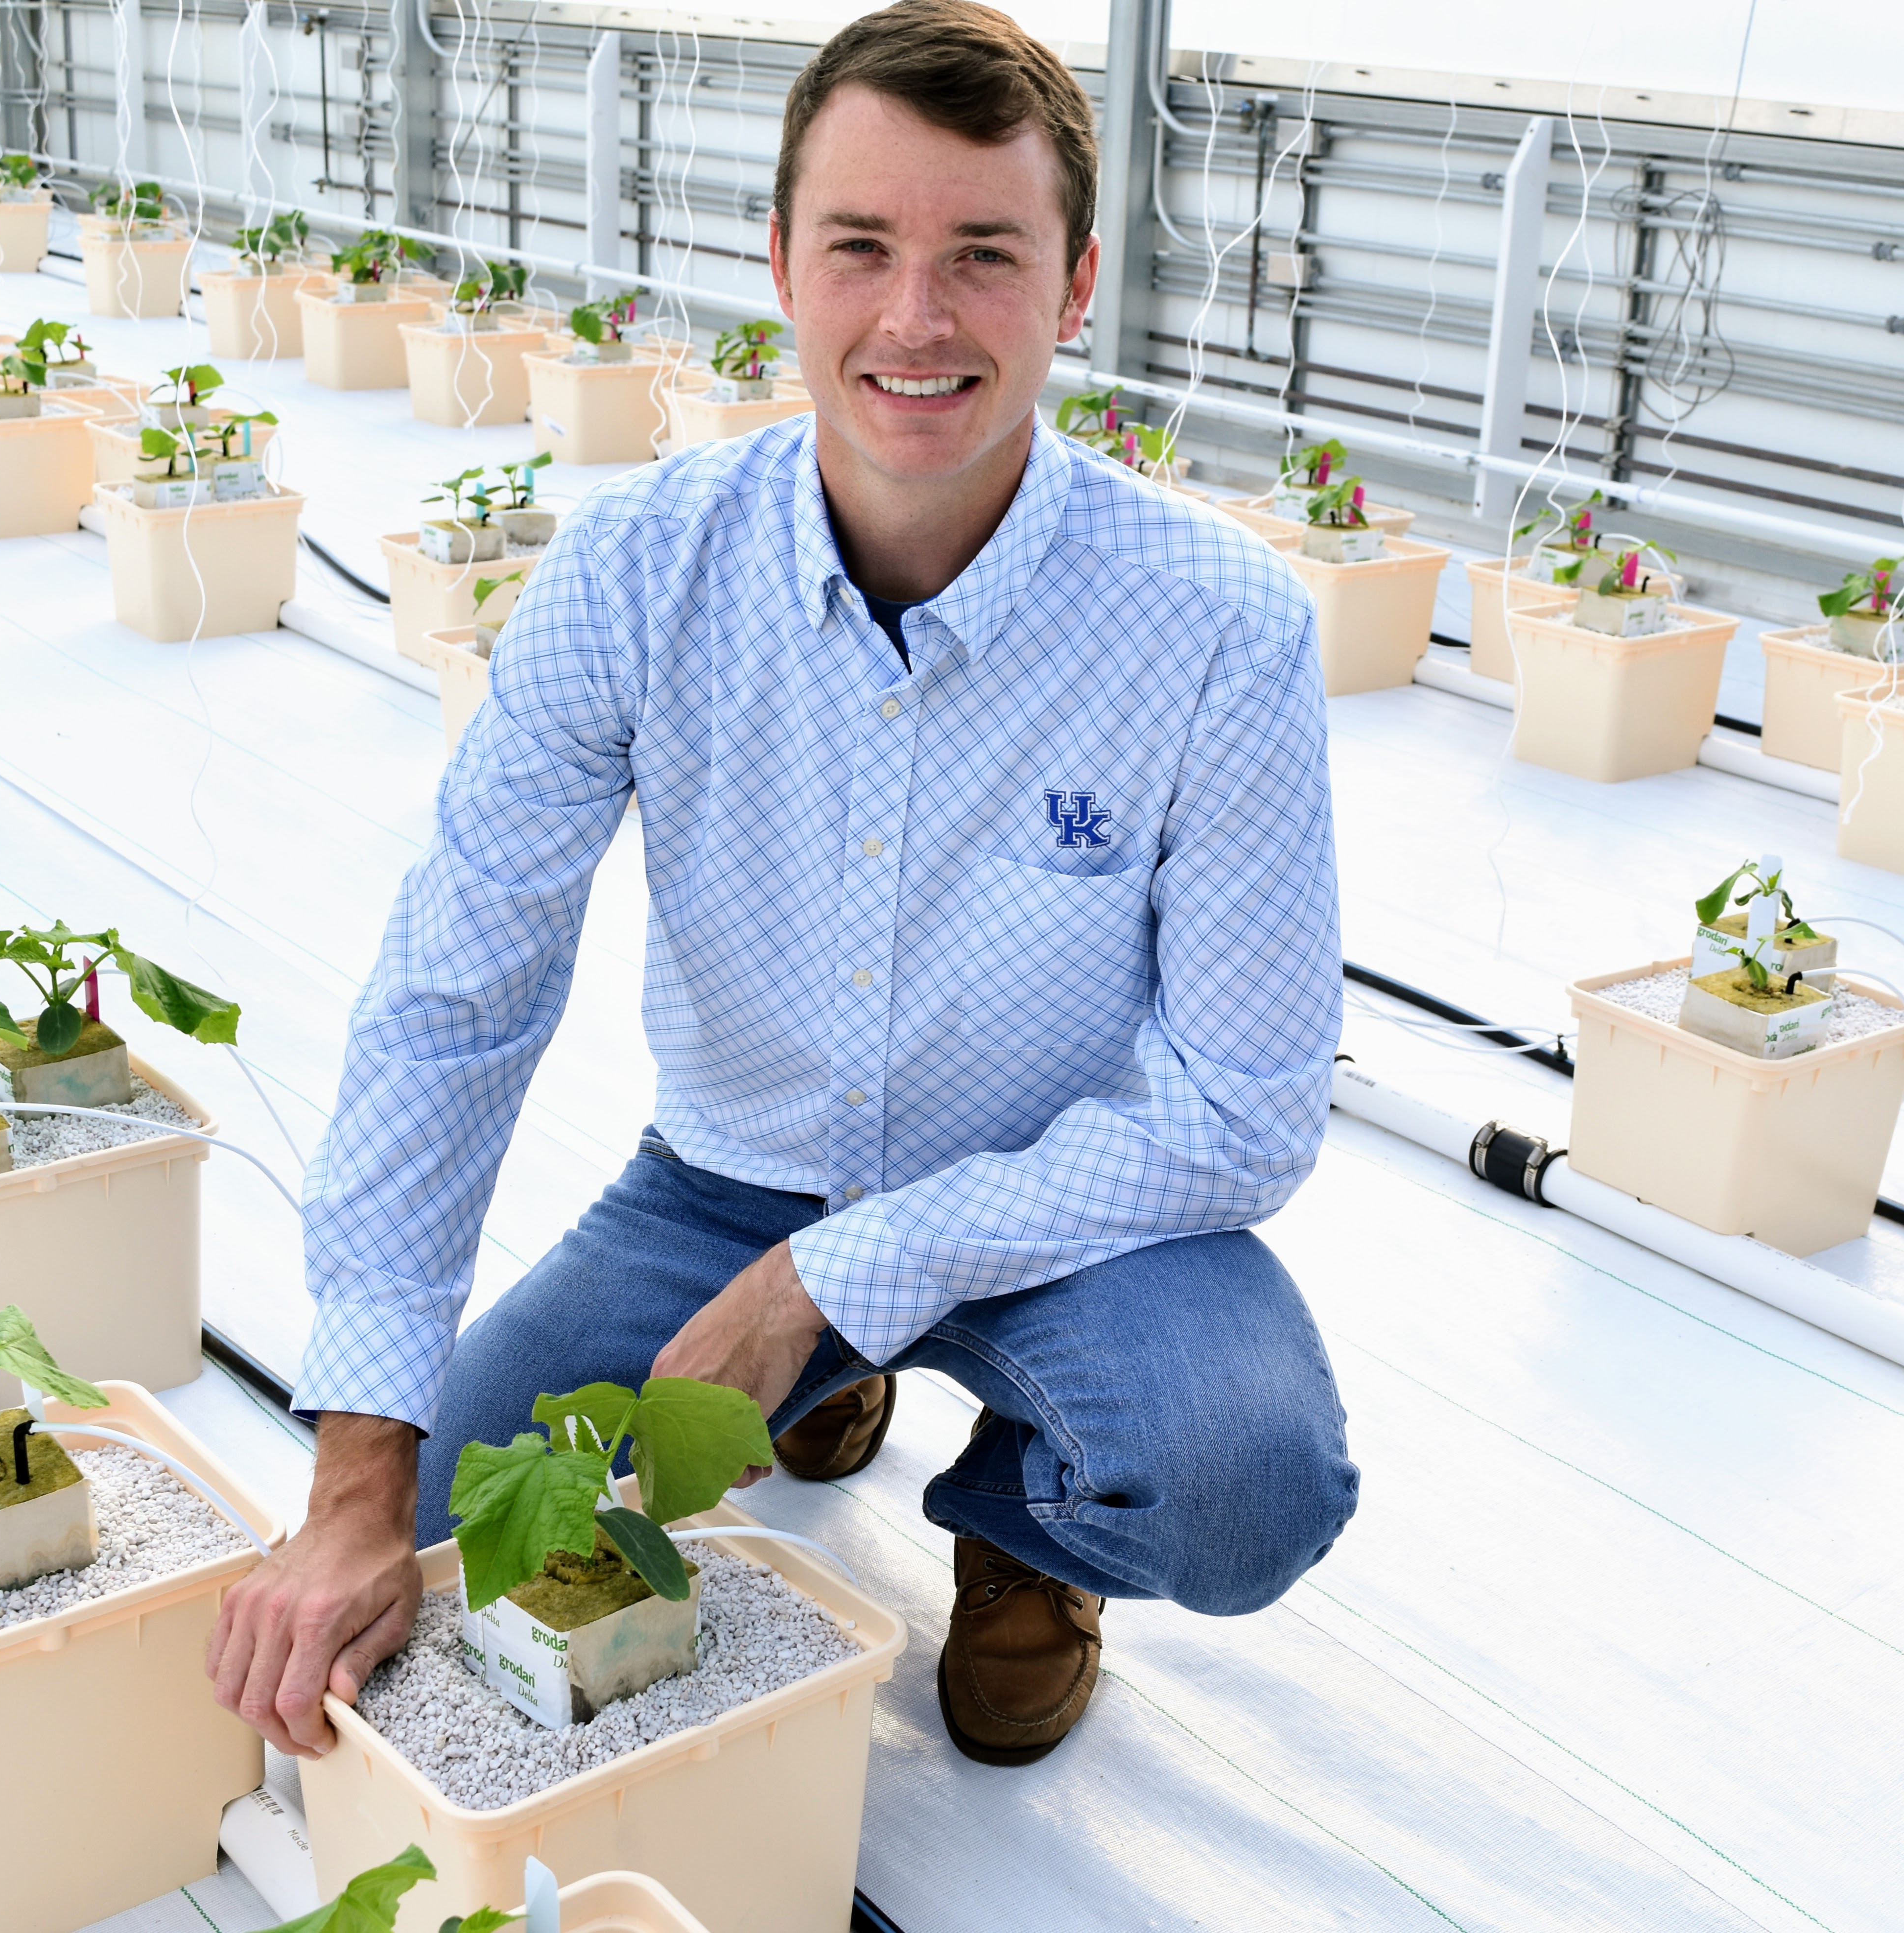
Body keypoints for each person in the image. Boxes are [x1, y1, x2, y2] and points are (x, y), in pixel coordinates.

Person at [206, 0, 1358, 1770]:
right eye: (862, 248)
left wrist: (828, 1279)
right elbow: (459, 995)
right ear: (778, 263)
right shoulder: (637, 575)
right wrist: (353, 1478)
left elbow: (1244, 1111)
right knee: (436, 1535)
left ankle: (1021, 1535)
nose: (916, 317)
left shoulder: (1216, 625)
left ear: (1072, 288)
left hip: (1068, 1209)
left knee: (1237, 1480)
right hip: (720, 1191)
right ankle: (822, 1373)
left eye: (984, 254)